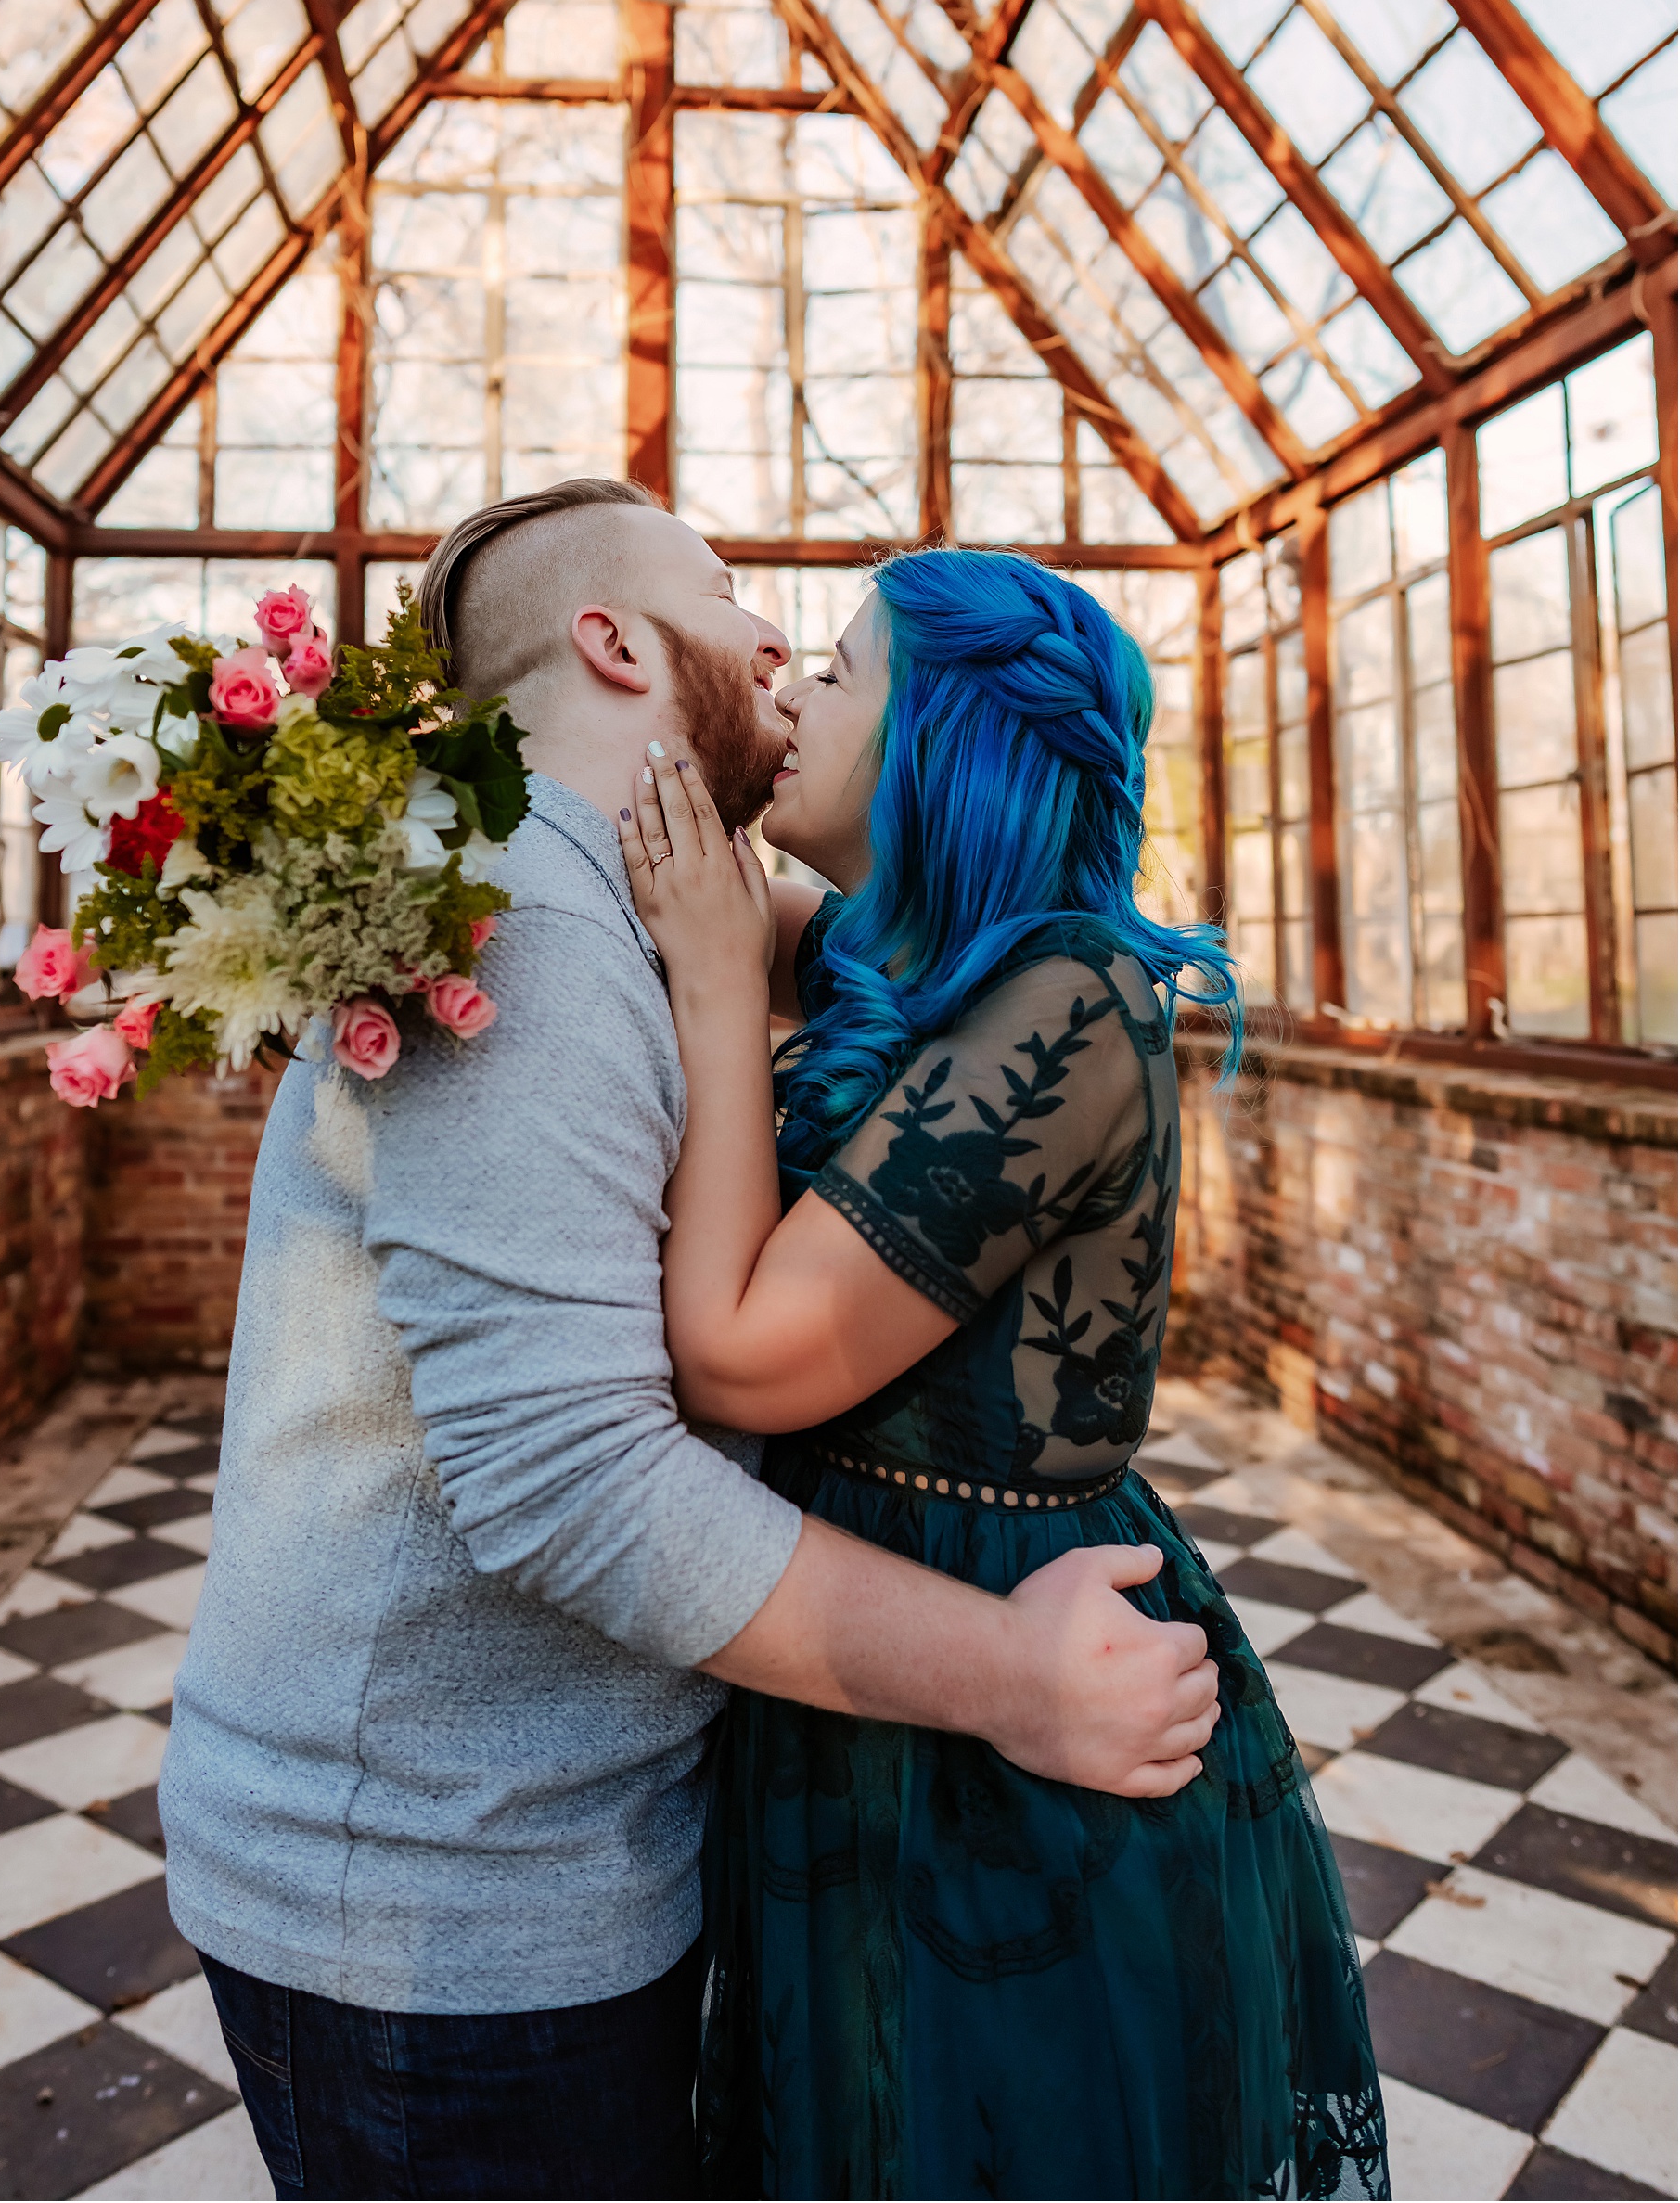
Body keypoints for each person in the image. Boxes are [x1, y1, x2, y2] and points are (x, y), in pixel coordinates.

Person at [160, 481, 1221, 2203]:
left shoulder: (600, 907)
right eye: (732, 593)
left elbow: (920, 957)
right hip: (448, 1898)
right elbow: (581, 1483)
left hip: (563, 1844)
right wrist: (1008, 1675)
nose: (779, 642)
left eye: (844, 660)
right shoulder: (537, 935)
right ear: (615, 640)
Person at [616, 545, 1389, 2203]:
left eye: (835, 670)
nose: (791, 692)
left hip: (1018, 1670)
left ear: (945, 734)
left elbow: (747, 1361)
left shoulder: (1077, 997)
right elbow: (794, 911)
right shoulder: (919, 961)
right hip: (873, 1635)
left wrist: (707, 983)